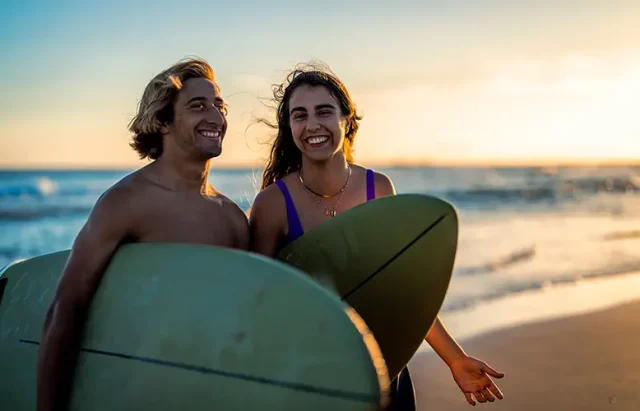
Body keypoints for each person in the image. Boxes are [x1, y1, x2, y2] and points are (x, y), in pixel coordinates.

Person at [248, 63, 504, 409]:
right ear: (289, 126)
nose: (312, 125)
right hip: (311, 374)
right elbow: (256, 302)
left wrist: (455, 359)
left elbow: (402, 290)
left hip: (381, 364)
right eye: (300, 115)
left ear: (346, 119)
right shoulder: (274, 203)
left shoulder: (377, 189)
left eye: (324, 111)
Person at [36, 57, 250, 411]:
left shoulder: (232, 218)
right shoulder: (125, 204)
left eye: (219, 106)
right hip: (134, 390)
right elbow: (67, 308)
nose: (215, 117)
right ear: (163, 122)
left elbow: (245, 317)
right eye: (198, 106)